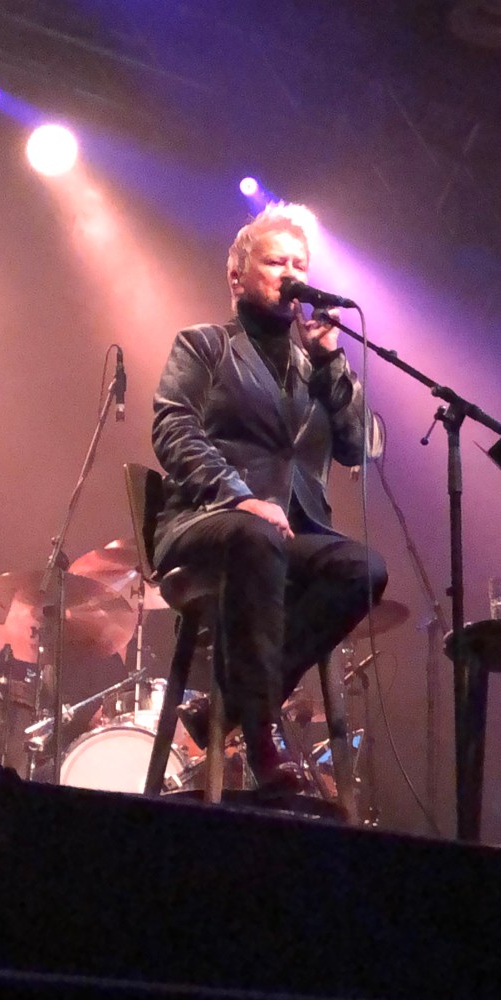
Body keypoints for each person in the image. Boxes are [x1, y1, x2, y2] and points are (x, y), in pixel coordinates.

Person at [151, 203, 388, 792]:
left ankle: (228, 706)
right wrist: (237, 496)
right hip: (210, 520)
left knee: (363, 569)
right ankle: (260, 739)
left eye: (299, 264)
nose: (291, 274)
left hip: (293, 532)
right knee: (256, 536)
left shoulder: (315, 363)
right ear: (237, 276)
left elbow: (360, 447)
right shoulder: (204, 345)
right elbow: (173, 427)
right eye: (276, 262)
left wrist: (332, 359)